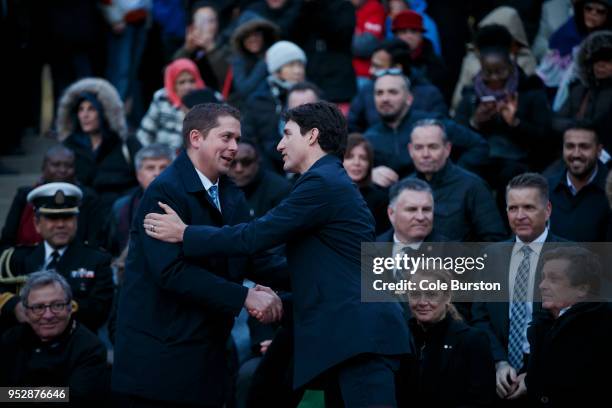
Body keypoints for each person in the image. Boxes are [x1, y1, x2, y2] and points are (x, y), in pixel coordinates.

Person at [144, 101, 411, 407]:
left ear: (311, 136)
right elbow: (326, 274)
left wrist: (185, 234)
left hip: (361, 341)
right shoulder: (329, 182)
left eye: (287, 134)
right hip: (350, 340)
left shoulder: (321, 183)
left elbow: (254, 236)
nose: (280, 144)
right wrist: (274, 303)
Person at [112, 103, 284, 407]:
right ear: (196, 138)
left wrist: (320, 275)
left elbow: (253, 257)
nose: (235, 147)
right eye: (226, 137)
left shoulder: (230, 192)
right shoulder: (164, 191)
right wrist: (244, 297)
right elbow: (170, 272)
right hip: (161, 363)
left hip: (205, 354)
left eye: (237, 139)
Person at [471, 173, 567, 402]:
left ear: (548, 210)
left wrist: (537, 374)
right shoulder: (490, 255)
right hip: (500, 376)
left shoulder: (572, 256)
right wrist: (499, 361)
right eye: (513, 208)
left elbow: (576, 327)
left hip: (553, 378)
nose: (520, 216)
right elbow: (479, 316)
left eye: (529, 207)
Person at [0, 183, 114, 333]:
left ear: (76, 222)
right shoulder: (15, 259)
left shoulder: (97, 260)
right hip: (24, 345)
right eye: (52, 218)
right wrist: (15, 306)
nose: (60, 224)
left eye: (67, 217)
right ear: (37, 223)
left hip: (76, 346)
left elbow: (99, 311)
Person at [509, 246, 612, 406]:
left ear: (582, 289)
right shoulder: (542, 325)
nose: (542, 285)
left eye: (554, 279)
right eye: (542, 277)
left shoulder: (604, 326)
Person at [455, 43, 552, 204]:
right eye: (488, 73)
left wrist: (515, 123)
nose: (494, 78)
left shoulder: (530, 93)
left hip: (519, 160)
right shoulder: (470, 96)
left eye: (500, 72)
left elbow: (544, 138)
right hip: (480, 158)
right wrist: (475, 122)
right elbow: (456, 137)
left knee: (512, 176)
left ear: (511, 67)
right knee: (465, 171)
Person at [0, 271, 109, 406]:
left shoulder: (91, 348)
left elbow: (75, 398)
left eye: (57, 305)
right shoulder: (11, 338)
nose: (48, 315)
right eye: (38, 307)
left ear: (70, 308)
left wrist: (15, 394)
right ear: (27, 312)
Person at [365, 72, 488, 187]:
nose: (385, 98)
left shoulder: (433, 124)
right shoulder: (369, 137)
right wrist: (370, 175)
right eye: (379, 93)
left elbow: (478, 145)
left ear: (409, 98)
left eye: (392, 92)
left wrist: (454, 177)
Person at [399, 268, 496, 407]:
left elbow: (481, 400)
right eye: (415, 294)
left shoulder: (473, 340)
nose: (422, 302)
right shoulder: (402, 337)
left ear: (447, 297)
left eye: (431, 294)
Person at [408, 119, 507, 242]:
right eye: (419, 148)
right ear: (410, 150)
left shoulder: (473, 186)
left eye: (433, 147)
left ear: (447, 149)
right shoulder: (404, 188)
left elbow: (495, 241)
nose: (425, 154)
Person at [57, 77, 141, 215]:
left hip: (120, 213)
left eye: (91, 109)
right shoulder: (70, 146)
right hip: (83, 213)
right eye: (81, 109)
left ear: (104, 112)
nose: (85, 115)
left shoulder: (125, 142)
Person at [0, 145, 101, 248]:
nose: (62, 170)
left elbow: (94, 241)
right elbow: (7, 239)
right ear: (44, 167)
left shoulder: (88, 198)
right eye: (56, 165)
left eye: (69, 166)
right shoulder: (24, 196)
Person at [348, 38, 447, 133]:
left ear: (397, 68)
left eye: (377, 66)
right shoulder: (367, 90)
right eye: (379, 93)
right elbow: (351, 127)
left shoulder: (430, 96)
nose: (371, 71)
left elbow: (444, 130)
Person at [241, 40, 308, 172]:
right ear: (277, 70)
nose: (298, 70)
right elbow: (250, 138)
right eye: (291, 65)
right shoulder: (258, 100)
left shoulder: (312, 96)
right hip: (267, 170)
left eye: (300, 65)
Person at [104, 143, 175, 256]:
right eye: (150, 168)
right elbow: (111, 248)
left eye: (163, 167)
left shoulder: (188, 202)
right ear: (138, 175)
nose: (157, 173)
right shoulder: (121, 207)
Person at [547, 123, 611, 241]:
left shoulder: (609, 192)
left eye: (584, 147)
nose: (576, 154)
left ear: (599, 151)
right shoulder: (547, 189)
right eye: (570, 146)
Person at [553, 30, 612, 155]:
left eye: (607, 60)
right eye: (596, 59)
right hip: (573, 152)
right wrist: (577, 126)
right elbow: (556, 121)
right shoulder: (580, 90)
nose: (600, 65)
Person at [137, 58, 206, 151]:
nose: (188, 87)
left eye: (192, 81)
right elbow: (145, 133)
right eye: (182, 82)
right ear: (173, 85)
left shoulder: (208, 101)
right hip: (162, 158)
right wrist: (150, 157)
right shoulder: (162, 98)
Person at [391, 9, 450, 100]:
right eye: (403, 32)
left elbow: (439, 97)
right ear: (395, 35)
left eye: (414, 31)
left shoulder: (435, 63)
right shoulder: (387, 58)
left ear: (421, 35)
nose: (409, 36)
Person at [174, 1, 231, 92]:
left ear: (217, 24)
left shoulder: (227, 43)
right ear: (193, 25)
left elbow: (228, 79)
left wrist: (211, 49)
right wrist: (187, 49)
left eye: (211, 21)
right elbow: (173, 73)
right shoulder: (190, 47)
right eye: (201, 21)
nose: (206, 26)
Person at [228, 141, 291, 220]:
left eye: (246, 162)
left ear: (258, 161)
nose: (239, 169)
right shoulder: (217, 186)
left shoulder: (280, 189)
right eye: (232, 162)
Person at [376, 177, 447, 245]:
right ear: (391, 213)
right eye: (412, 210)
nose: (420, 217)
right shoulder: (372, 248)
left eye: (426, 209)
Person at [228, 13, 280, 104]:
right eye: (247, 36)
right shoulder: (238, 61)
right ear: (241, 40)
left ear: (264, 36)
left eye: (256, 34)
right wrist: (264, 63)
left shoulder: (276, 52)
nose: (253, 39)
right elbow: (243, 90)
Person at [344, 133, 390, 234]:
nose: (357, 163)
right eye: (350, 157)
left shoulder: (381, 200)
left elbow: (381, 242)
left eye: (363, 158)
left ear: (369, 164)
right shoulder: (328, 194)